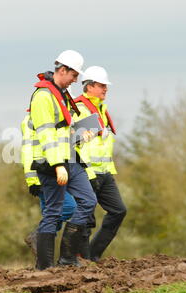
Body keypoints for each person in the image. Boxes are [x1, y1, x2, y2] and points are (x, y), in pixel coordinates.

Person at [29, 50, 97, 270]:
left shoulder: (61, 94)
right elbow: (47, 135)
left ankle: (67, 257)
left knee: (88, 200)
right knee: (53, 211)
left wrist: (80, 136)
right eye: (74, 75)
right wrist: (58, 165)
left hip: (69, 158)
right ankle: (44, 267)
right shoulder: (43, 96)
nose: (76, 80)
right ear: (62, 70)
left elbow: (62, 131)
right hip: (50, 163)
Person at [73, 66, 127, 261]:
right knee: (87, 219)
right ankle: (82, 260)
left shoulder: (102, 109)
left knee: (119, 211)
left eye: (106, 86)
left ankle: (92, 256)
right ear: (90, 86)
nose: (106, 89)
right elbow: (71, 138)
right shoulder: (78, 107)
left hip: (104, 171)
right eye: (102, 85)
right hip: (86, 172)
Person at [21, 112, 77, 255]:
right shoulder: (32, 119)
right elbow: (27, 150)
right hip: (43, 173)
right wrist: (32, 179)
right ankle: (37, 237)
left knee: (50, 215)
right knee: (68, 207)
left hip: (53, 171)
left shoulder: (54, 117)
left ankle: (43, 260)